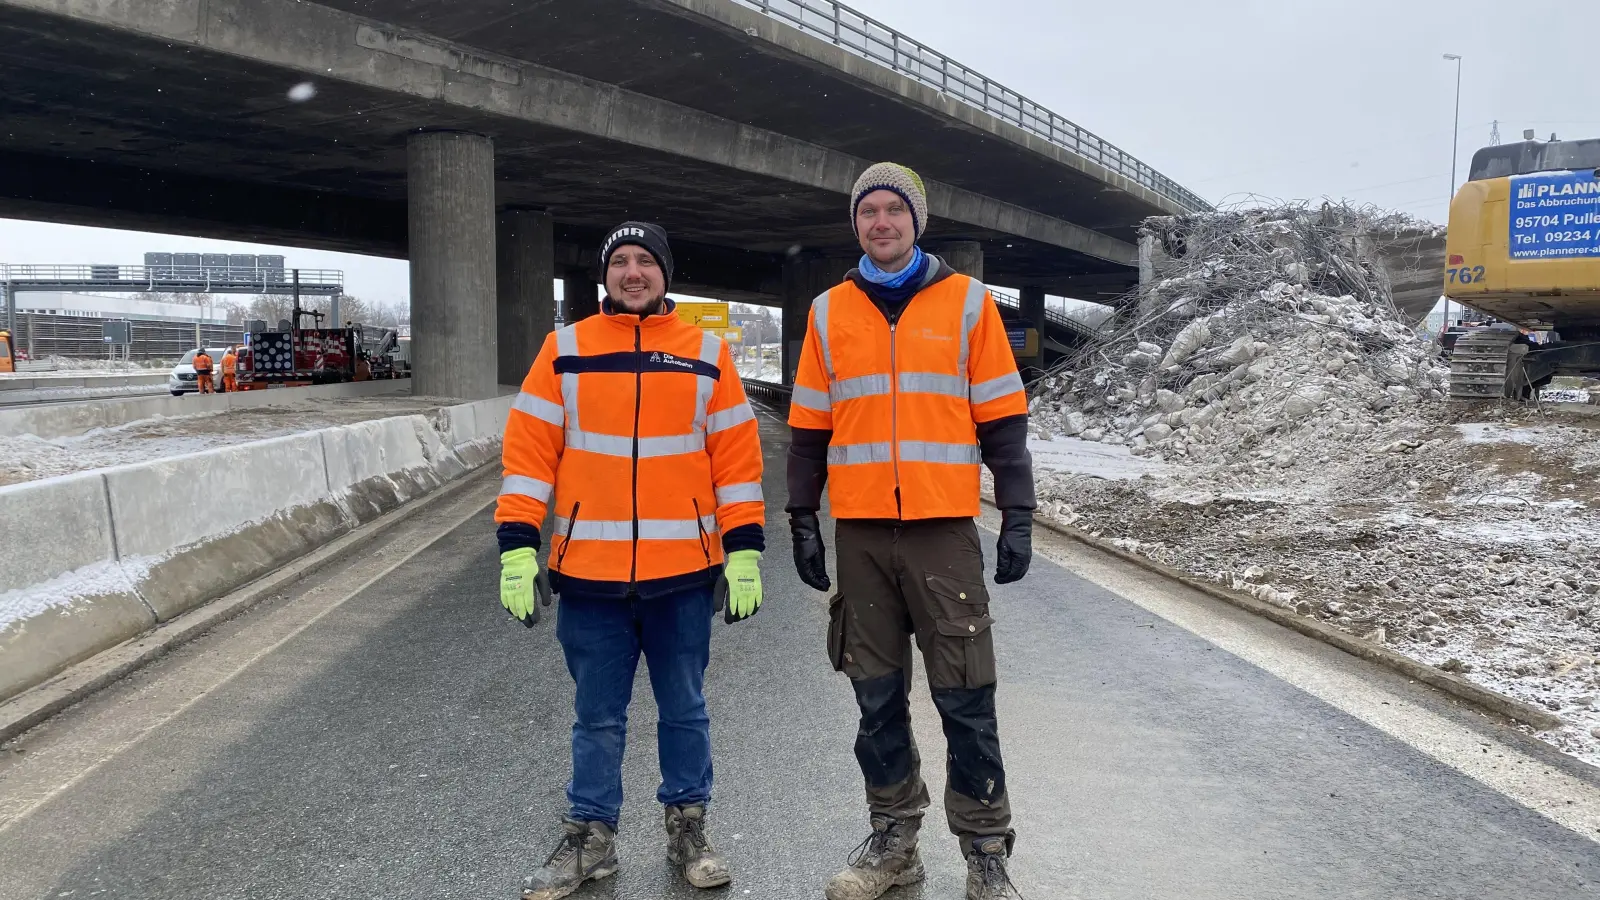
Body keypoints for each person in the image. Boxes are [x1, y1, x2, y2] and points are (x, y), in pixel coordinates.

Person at [786, 163, 1036, 900]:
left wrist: (1017, 512)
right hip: (861, 534)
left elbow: (1003, 422)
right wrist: (804, 519)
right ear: (856, 225)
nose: (882, 222)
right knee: (876, 697)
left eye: (895, 210)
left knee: (966, 696)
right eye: (869, 212)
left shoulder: (966, 306)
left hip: (941, 530)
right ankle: (894, 839)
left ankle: (986, 851)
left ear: (916, 222)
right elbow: (806, 434)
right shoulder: (829, 312)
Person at [496, 222, 767, 900]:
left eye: (646, 260)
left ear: (665, 273)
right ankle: (591, 838)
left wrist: (745, 552)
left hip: (683, 574)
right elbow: (529, 457)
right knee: (597, 716)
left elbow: (735, 461)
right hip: (589, 573)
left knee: (685, 711)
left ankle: (688, 830)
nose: (634, 272)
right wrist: (517, 548)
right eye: (621, 262)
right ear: (604, 276)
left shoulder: (706, 355)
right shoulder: (565, 351)